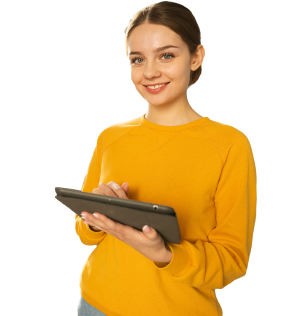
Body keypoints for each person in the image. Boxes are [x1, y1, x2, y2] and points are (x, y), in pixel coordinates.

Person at [76, 2, 257, 315]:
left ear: (197, 57)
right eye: (137, 59)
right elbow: (84, 234)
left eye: (167, 55)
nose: (149, 72)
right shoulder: (111, 137)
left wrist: (165, 254)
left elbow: (232, 261)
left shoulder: (230, 145)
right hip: (96, 304)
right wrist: (94, 216)